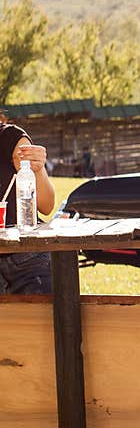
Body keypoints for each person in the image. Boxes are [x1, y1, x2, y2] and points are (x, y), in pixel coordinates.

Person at [0, 115, 56, 294]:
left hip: (26, 255)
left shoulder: (10, 138)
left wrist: (37, 170)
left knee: (53, 318)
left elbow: (47, 206)